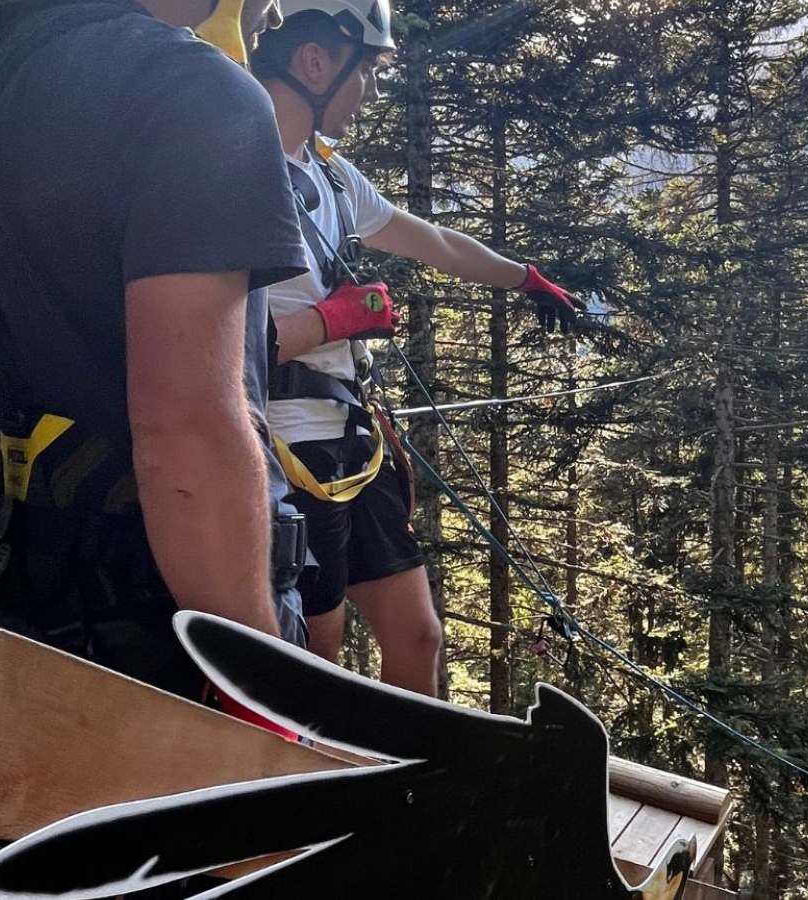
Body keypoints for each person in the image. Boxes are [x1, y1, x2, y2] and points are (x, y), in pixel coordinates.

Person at [0, 0, 311, 702]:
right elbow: (186, 428)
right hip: (178, 639)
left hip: (28, 599)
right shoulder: (190, 87)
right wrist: (260, 686)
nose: (273, 10)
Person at [246, 0, 587, 693]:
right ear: (316, 60)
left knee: (418, 633)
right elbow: (198, 347)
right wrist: (330, 323)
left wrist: (524, 278)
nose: (370, 94)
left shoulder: (331, 175)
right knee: (321, 655)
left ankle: (416, 790)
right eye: (366, 73)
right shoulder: (239, 170)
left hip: (350, 440)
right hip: (286, 453)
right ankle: (326, 796)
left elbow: (429, 240)